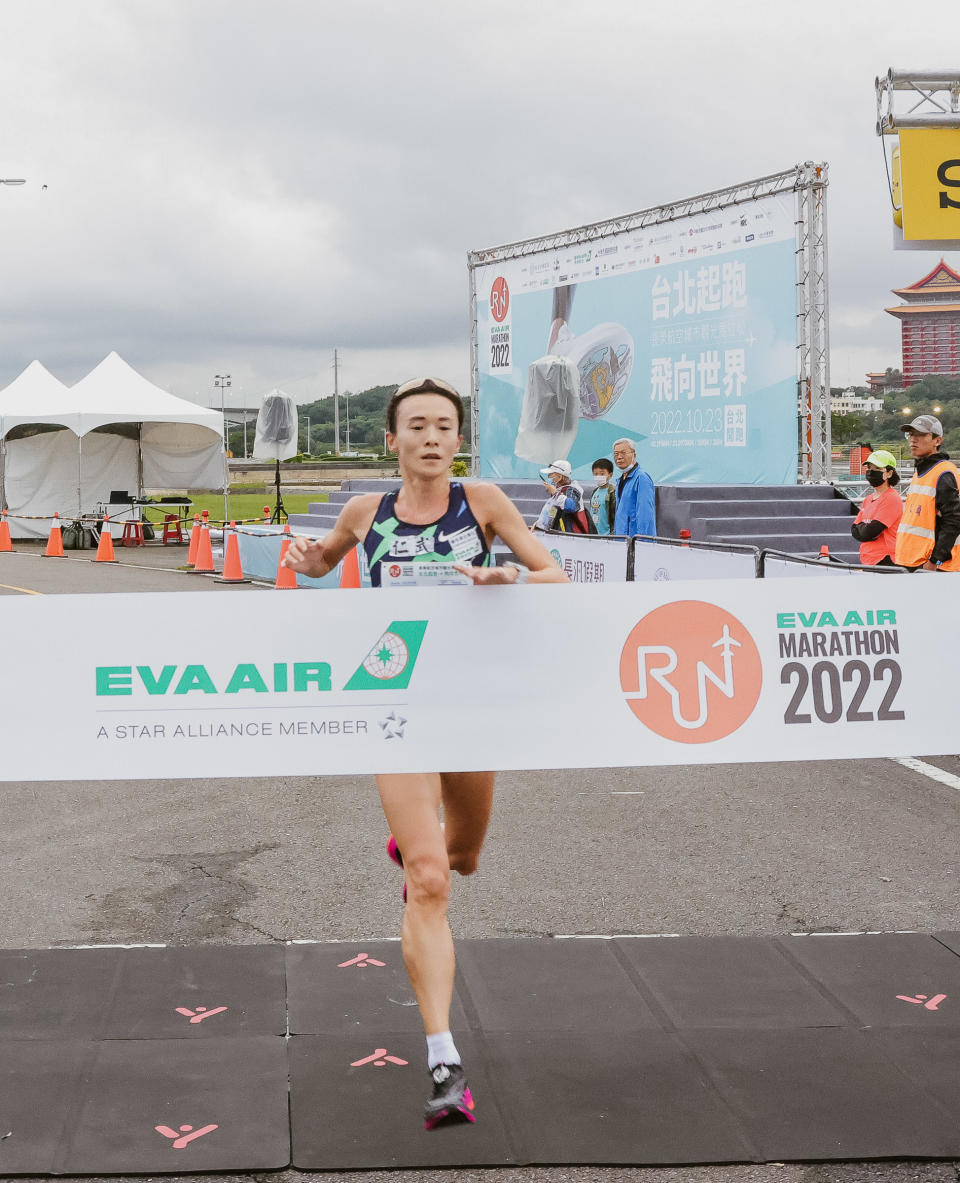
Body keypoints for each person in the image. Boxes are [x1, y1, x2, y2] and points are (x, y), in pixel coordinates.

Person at [281, 377, 567, 1130]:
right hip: (397, 709)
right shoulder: (363, 512)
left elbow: (555, 572)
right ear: (393, 439)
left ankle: (427, 849)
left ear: (457, 439)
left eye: (445, 425)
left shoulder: (484, 504)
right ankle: (444, 1060)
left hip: (471, 710)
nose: (433, 436)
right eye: (418, 425)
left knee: (465, 856)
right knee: (431, 879)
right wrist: (310, 556)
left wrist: (511, 577)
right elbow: (322, 563)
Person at [894, 414, 960, 571]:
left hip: (933, 566)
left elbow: (954, 520)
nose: (913, 439)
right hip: (913, 560)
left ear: (938, 441)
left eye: (921, 434)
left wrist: (935, 560)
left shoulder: (943, 472)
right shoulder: (921, 472)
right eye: (910, 434)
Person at [850, 449, 902, 566]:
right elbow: (854, 530)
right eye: (869, 468)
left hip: (885, 559)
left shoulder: (891, 498)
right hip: (868, 559)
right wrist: (864, 530)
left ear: (889, 473)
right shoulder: (868, 499)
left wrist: (864, 529)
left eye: (877, 468)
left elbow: (871, 531)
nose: (871, 472)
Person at [532, 459, 594, 533]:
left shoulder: (572, 490)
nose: (548, 477)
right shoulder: (559, 490)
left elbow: (571, 506)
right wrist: (540, 523)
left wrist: (556, 493)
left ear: (560, 476)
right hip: (559, 531)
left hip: (572, 535)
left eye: (551, 474)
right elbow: (553, 510)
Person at [612, 438, 656, 536]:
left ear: (634, 454)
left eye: (623, 453)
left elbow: (645, 514)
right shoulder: (621, 479)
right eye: (616, 453)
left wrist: (641, 541)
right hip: (622, 539)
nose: (619, 457)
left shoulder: (641, 478)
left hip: (636, 541)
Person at [589, 457, 617, 535]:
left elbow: (615, 516)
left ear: (610, 475)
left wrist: (612, 535)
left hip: (607, 536)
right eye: (595, 474)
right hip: (594, 535)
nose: (598, 476)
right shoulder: (594, 491)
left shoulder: (613, 492)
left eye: (602, 474)